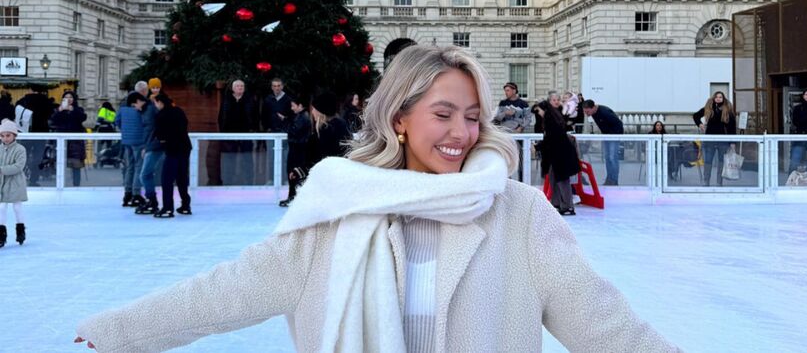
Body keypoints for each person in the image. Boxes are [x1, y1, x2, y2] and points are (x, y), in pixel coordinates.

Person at [75, 45, 679, 353]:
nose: (461, 133)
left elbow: (602, 323)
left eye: (472, 117)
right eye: (442, 114)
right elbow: (227, 290)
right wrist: (117, 330)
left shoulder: (518, 214)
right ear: (397, 118)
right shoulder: (338, 208)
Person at [536, 100, 580, 215]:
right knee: (553, 177)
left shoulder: (551, 121)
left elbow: (551, 139)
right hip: (556, 155)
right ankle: (557, 203)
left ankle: (567, 206)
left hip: (561, 155)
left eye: (539, 110)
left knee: (562, 179)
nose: (538, 113)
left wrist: (537, 146)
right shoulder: (550, 120)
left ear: (544, 110)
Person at [152, 94, 192, 218]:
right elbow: (185, 125)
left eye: (156, 103)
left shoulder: (161, 115)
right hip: (185, 148)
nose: (156, 106)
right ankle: (185, 205)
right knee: (182, 178)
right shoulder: (178, 111)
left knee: (167, 179)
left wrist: (163, 141)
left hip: (172, 150)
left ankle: (168, 208)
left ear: (160, 102)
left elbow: (159, 134)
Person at [692, 91, 736, 186]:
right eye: (716, 97)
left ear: (723, 98)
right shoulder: (709, 108)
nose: (718, 98)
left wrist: (733, 142)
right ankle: (706, 181)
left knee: (721, 162)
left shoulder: (728, 110)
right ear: (714, 98)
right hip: (709, 141)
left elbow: (732, 126)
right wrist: (700, 124)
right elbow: (695, 116)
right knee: (708, 161)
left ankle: (719, 182)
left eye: (720, 97)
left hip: (723, 141)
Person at [218, 80, 258, 185]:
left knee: (247, 160)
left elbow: (255, 117)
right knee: (229, 160)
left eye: (242, 86)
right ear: (233, 88)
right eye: (238, 86)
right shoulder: (227, 100)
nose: (240, 88)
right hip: (229, 135)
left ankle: (249, 183)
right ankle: (227, 182)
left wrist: (253, 130)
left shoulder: (250, 100)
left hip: (246, 134)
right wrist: (223, 133)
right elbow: (221, 117)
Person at [14, 85, 53, 186]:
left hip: (26, 132)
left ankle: (22, 177)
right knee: (38, 156)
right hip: (41, 132)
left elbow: (17, 112)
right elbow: (50, 114)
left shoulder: (23, 100)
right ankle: (33, 179)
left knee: (24, 154)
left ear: (30, 90)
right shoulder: (46, 101)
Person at [136, 78, 164, 215]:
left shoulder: (149, 110)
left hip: (155, 146)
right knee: (147, 174)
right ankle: (152, 200)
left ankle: (153, 201)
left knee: (145, 174)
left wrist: (146, 147)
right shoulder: (147, 110)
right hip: (151, 145)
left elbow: (151, 130)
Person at [114, 93, 147, 208]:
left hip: (127, 141)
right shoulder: (140, 111)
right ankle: (136, 194)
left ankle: (127, 193)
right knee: (139, 166)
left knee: (130, 167)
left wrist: (124, 130)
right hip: (138, 141)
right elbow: (145, 124)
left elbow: (117, 121)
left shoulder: (122, 110)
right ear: (136, 101)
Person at [279, 94, 311, 207]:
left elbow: (293, 132)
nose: (292, 108)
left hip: (298, 151)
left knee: (294, 174)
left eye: (293, 106)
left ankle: (294, 197)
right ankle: (292, 197)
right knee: (293, 174)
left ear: (300, 106)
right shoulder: (300, 117)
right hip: (296, 150)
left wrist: (285, 121)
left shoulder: (303, 118)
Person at [582, 99, 624, 186]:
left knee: (613, 158)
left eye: (588, 111)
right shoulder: (593, 113)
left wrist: (614, 136)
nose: (587, 114)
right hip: (606, 136)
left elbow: (619, 124)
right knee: (607, 158)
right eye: (585, 112)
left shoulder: (605, 112)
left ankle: (614, 180)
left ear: (593, 108)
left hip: (614, 137)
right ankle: (609, 179)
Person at [50, 90, 87, 187]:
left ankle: (76, 185)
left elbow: (83, 117)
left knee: (75, 164)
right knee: (60, 163)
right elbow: (53, 121)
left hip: (75, 141)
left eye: (70, 97)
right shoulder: (59, 109)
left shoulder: (78, 109)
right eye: (66, 98)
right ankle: (60, 185)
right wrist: (60, 111)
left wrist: (73, 110)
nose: (68, 99)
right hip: (61, 140)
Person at [0, 118, 27, 248]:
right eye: (2, 135)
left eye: (8, 135)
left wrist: (1, 170)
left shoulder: (20, 149)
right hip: (1, 183)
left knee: (17, 207)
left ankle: (20, 231)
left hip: (15, 183)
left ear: (14, 135)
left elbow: (19, 166)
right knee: (1, 208)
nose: (5, 138)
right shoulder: (0, 148)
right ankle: (1, 235)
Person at [308, 91, 352, 166]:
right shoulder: (341, 125)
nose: (312, 112)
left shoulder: (326, 131)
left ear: (320, 111)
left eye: (314, 109)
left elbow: (319, 159)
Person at [789, 88, 807, 173]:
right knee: (795, 160)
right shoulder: (798, 108)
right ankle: (791, 182)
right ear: (803, 96)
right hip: (800, 137)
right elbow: (796, 122)